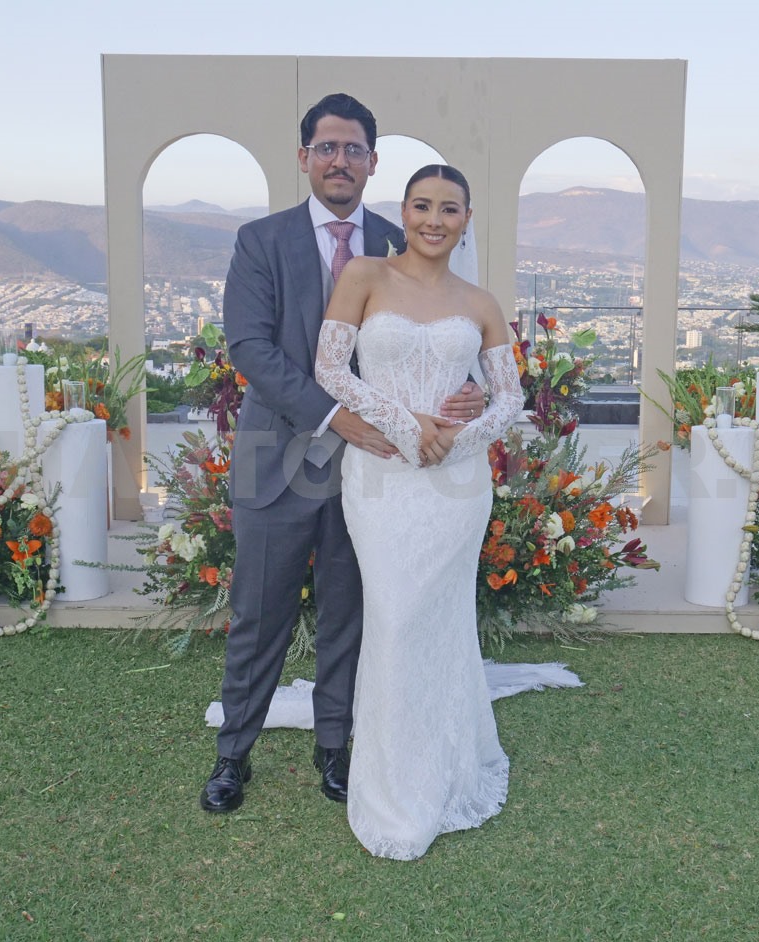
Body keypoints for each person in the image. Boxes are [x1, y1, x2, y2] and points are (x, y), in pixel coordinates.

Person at [200, 94, 483, 814]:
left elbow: (447, 335)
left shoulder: (401, 237)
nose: (339, 160)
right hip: (279, 455)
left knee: (351, 614)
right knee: (258, 612)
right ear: (305, 157)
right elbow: (251, 349)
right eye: (326, 147)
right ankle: (233, 755)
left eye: (353, 149)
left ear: (372, 162)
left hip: (380, 470)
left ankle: (336, 748)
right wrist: (340, 418)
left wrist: (470, 390)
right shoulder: (260, 241)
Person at [315, 164, 525, 860]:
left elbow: (510, 398)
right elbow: (330, 371)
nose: (435, 220)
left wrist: (457, 438)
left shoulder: (481, 301)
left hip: (455, 483)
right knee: (397, 616)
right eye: (423, 206)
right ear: (403, 211)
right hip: (381, 472)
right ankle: (391, 788)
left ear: (467, 219)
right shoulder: (364, 276)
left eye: (450, 209)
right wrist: (408, 426)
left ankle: (447, 760)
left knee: (440, 619)